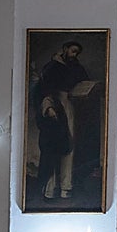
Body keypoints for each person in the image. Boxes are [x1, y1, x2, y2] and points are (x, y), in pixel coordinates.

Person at [33, 40, 91, 200]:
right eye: (73, 51)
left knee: (69, 146)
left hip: (69, 105)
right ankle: (50, 188)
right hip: (54, 106)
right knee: (52, 149)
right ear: (64, 49)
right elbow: (43, 90)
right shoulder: (51, 67)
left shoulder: (76, 67)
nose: (74, 55)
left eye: (77, 53)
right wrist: (48, 107)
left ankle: (66, 186)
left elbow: (84, 81)